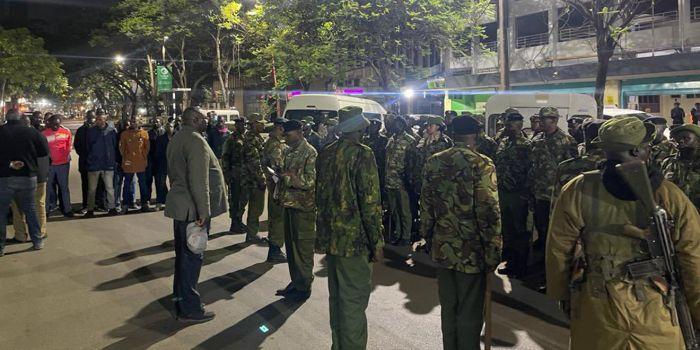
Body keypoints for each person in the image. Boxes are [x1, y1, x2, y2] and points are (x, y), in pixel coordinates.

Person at [546, 117, 700, 349]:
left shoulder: (578, 188)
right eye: (647, 146)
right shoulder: (669, 195)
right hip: (655, 308)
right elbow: (692, 257)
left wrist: (563, 296)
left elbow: (558, 248)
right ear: (638, 149)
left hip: (598, 306)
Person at [415, 115, 502, 350]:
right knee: (470, 314)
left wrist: (429, 236)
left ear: (453, 134)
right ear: (476, 135)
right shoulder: (482, 164)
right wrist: (493, 251)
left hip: (443, 247)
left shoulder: (434, 161)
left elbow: (426, 205)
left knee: (449, 310)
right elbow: (489, 212)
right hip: (471, 252)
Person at [315, 106, 384, 350]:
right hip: (354, 242)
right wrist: (376, 241)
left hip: (332, 239)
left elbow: (320, 197)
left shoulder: (325, 153)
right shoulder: (363, 154)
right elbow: (370, 202)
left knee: (338, 302)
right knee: (354, 304)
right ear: (359, 128)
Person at [165, 107, 227, 323]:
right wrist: (204, 211)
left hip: (181, 207)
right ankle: (190, 308)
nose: (207, 121)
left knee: (183, 258)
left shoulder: (177, 138)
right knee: (192, 259)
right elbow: (199, 180)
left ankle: (180, 301)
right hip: (193, 211)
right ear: (195, 119)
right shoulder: (195, 140)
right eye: (204, 118)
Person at [276, 119, 318, 302]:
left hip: (303, 208)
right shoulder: (287, 151)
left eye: (288, 134)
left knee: (303, 248)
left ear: (299, 133)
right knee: (291, 248)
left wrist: (291, 177)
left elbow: (310, 181)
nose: (285, 137)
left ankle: (304, 286)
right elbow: (285, 174)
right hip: (289, 204)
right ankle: (296, 281)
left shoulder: (310, 152)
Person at [528, 107, 578, 250]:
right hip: (539, 192)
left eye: (544, 119)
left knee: (555, 229)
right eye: (540, 118)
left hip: (556, 194)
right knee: (540, 225)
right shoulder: (537, 140)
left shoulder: (567, 141)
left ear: (555, 120)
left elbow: (572, 168)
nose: (540, 122)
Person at [0, 109, 49, 256]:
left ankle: (0, 246)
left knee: (1, 213)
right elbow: (44, 151)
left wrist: (9, 164)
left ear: (6, 118)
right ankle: (37, 241)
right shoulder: (31, 132)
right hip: (28, 176)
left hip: (4, 177)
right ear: (21, 118)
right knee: (31, 209)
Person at [493, 109, 530, 278]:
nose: (508, 126)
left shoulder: (526, 145)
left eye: (511, 123)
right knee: (506, 228)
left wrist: (526, 193)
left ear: (519, 124)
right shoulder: (503, 142)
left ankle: (520, 264)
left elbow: (531, 170)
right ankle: (509, 259)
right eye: (506, 123)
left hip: (518, 193)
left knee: (519, 230)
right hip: (503, 191)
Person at [551, 119, 606, 207]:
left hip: (574, 217)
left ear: (586, 139)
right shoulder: (624, 167)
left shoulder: (566, 167)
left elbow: (557, 204)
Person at [385, 116, 415, 246]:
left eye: (397, 124)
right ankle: (397, 234)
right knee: (394, 210)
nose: (395, 126)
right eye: (393, 124)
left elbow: (413, 163)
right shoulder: (391, 140)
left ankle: (406, 236)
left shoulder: (410, 141)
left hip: (402, 182)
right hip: (390, 181)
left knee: (404, 211)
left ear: (402, 126)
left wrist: (409, 180)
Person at [262, 117, 288, 263]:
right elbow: (278, 167)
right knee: (278, 218)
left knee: (275, 217)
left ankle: (275, 247)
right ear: (280, 128)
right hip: (277, 185)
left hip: (273, 184)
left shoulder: (272, 142)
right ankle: (275, 250)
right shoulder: (275, 145)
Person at [84, 112, 120, 218]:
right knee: (91, 189)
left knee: (110, 188)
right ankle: (90, 209)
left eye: (101, 119)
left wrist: (113, 160)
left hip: (108, 164)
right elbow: (87, 147)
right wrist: (90, 159)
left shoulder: (112, 131)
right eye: (98, 119)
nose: (99, 121)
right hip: (94, 165)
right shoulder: (91, 132)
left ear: (105, 120)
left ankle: (112, 208)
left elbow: (115, 146)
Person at [409, 116, 453, 196]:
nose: (428, 128)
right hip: (422, 179)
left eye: (431, 125)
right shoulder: (423, 140)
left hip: (438, 181)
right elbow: (416, 158)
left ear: (438, 127)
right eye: (427, 126)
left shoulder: (446, 142)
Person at [119, 115, 153, 213]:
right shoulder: (124, 134)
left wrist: (142, 156)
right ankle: (125, 205)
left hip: (141, 163)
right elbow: (122, 148)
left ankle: (144, 204)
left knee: (143, 184)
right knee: (127, 184)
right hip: (128, 163)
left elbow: (147, 148)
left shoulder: (144, 134)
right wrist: (126, 157)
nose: (134, 122)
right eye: (132, 121)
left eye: (136, 121)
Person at [241, 113, 267, 241]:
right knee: (256, 207)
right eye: (260, 123)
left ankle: (252, 232)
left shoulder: (256, 137)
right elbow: (254, 161)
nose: (263, 125)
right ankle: (251, 234)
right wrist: (261, 178)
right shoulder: (251, 139)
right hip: (253, 180)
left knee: (256, 207)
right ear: (254, 124)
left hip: (252, 178)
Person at [662, 124, 700, 209]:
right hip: (677, 213)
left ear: (698, 141)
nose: (681, 141)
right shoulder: (668, 162)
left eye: (686, 138)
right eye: (678, 139)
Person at [43, 114, 74, 217]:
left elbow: (69, 146)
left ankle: (67, 209)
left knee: (64, 187)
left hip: (63, 165)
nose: (55, 126)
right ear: (49, 123)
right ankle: (46, 210)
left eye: (57, 124)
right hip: (49, 166)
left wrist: (65, 155)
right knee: (47, 188)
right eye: (53, 124)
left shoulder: (66, 132)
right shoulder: (44, 134)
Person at [74, 111, 104, 213]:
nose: (91, 119)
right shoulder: (81, 130)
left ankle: (99, 203)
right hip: (85, 162)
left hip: (98, 163)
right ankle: (86, 205)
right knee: (86, 185)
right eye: (89, 117)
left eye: (93, 117)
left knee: (100, 184)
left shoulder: (100, 130)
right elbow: (77, 146)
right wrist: (86, 156)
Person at [221, 118, 247, 233]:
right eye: (240, 125)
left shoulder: (245, 138)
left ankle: (239, 220)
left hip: (244, 174)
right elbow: (225, 157)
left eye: (244, 125)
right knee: (235, 199)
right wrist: (227, 173)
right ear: (236, 126)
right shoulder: (231, 139)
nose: (243, 127)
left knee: (243, 199)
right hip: (235, 173)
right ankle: (234, 223)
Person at [152, 121, 173, 211]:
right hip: (162, 164)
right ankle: (159, 202)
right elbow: (157, 153)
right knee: (160, 184)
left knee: (175, 185)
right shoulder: (160, 139)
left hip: (174, 165)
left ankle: (172, 202)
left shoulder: (177, 138)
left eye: (171, 126)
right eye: (168, 126)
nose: (170, 128)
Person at [145, 117, 164, 206]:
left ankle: (159, 200)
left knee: (159, 182)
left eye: (157, 122)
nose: (155, 123)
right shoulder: (149, 133)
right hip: (150, 160)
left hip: (160, 161)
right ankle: (147, 199)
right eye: (154, 122)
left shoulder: (163, 133)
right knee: (148, 181)